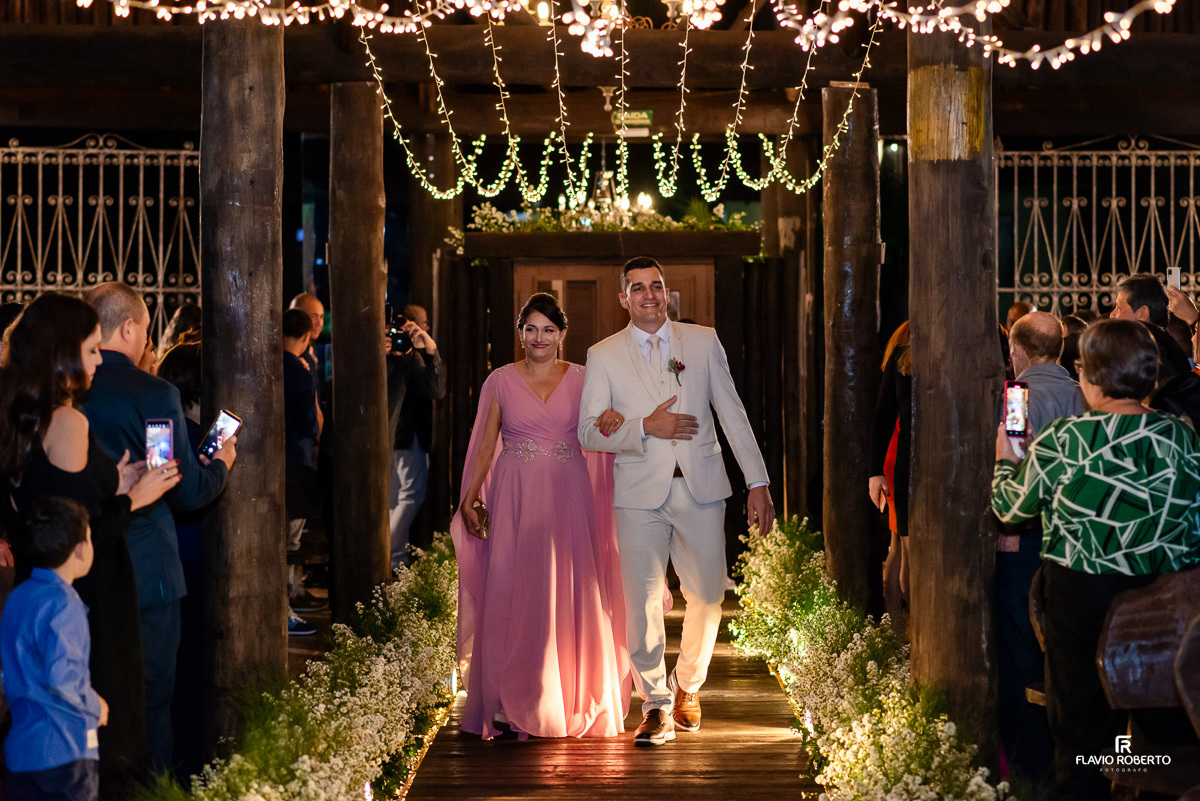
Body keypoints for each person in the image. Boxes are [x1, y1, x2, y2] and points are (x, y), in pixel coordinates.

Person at [992, 318, 1200, 801]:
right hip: (1165, 600)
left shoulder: (1066, 439)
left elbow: (1010, 508)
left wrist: (1007, 458)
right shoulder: (1182, 436)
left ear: (1088, 378)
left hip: (1081, 597)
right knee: (1164, 736)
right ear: (1149, 376)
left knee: (1082, 738)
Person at [578, 257, 774, 747]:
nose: (649, 295)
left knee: (709, 593)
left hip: (701, 487)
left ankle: (688, 683)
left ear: (666, 293)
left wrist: (758, 481)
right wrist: (644, 426)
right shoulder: (603, 355)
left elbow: (732, 412)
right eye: (638, 288)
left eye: (656, 286)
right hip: (639, 493)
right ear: (623, 298)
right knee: (641, 602)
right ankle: (655, 704)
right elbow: (586, 431)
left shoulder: (702, 342)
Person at [0, 293, 178, 796]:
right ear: (64, 354)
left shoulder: (21, 410)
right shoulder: (68, 421)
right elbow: (72, 531)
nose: (100, 360)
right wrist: (134, 499)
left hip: (34, 587)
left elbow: (49, 502)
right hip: (90, 589)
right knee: (104, 729)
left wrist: (113, 484)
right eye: (92, 349)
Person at [452, 292, 629, 740]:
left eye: (548, 329)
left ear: (563, 335)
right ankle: (508, 697)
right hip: (515, 496)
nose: (539, 337)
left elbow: (606, 423)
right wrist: (471, 497)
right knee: (517, 587)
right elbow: (485, 444)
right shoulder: (500, 380)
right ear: (520, 333)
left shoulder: (587, 378)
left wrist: (614, 418)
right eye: (530, 329)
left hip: (569, 495)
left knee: (570, 586)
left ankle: (569, 692)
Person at [78, 282, 235, 772]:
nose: (149, 343)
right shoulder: (153, 394)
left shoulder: (68, 387)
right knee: (151, 704)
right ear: (128, 327)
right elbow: (176, 485)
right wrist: (221, 464)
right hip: (148, 573)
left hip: (80, 564)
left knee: (90, 696)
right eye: (145, 332)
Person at [996, 311, 1085, 783]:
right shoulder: (1082, 395)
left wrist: (1006, 533)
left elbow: (1012, 459)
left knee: (1019, 653)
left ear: (1018, 350)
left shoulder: (1016, 397)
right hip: (1073, 542)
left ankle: (1028, 766)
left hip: (1025, 535)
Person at [2, 498, 104, 801]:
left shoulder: (18, 597)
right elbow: (63, 678)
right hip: (66, 749)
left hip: (21, 751)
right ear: (80, 547)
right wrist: (97, 705)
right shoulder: (65, 602)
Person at [388, 304, 446, 568]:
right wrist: (428, 348)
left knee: (395, 499)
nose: (426, 328)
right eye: (423, 323)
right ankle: (393, 556)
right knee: (410, 495)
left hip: (395, 435)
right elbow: (436, 389)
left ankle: (393, 557)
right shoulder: (410, 354)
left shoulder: (411, 353)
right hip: (406, 435)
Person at [282, 309, 322, 632]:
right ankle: (289, 599)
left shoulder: (267, 362)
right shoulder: (299, 370)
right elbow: (310, 423)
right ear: (306, 336)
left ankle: (290, 597)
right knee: (290, 539)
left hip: (268, 459)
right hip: (295, 459)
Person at [868, 322, 911, 624]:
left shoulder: (902, 343)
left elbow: (883, 412)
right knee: (906, 547)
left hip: (898, 457)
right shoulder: (905, 347)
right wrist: (874, 470)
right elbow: (883, 413)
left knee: (900, 544)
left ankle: (896, 629)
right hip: (903, 459)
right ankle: (907, 632)